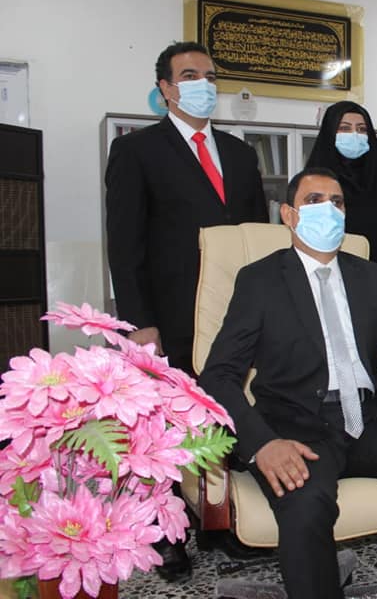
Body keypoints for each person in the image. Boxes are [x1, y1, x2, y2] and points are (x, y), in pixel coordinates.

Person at [198, 168, 377, 599]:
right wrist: (261, 444)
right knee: (306, 502)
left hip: (371, 421)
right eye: (314, 201)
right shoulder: (260, 280)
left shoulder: (371, 277)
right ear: (289, 215)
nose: (328, 210)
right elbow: (218, 375)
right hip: (295, 427)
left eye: (337, 202)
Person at [104, 40, 268, 580]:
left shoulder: (240, 154)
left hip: (235, 312)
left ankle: (222, 523)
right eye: (191, 75)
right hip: (169, 314)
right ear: (166, 89)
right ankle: (167, 535)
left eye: (211, 75)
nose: (204, 84)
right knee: (166, 428)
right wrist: (140, 322)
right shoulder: (137, 151)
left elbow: (257, 238)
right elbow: (124, 246)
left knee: (225, 414)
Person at [305, 101, 377, 275]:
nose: (355, 135)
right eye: (345, 128)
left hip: (375, 272)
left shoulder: (375, 174)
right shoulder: (315, 180)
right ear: (330, 132)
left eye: (362, 129)